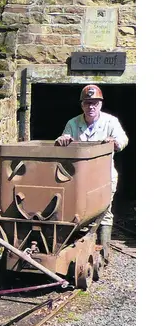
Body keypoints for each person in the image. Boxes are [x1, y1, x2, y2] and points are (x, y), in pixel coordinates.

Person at [55, 84, 129, 244]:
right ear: (82, 105)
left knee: (104, 211)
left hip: (104, 176)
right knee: (78, 210)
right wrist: (63, 140)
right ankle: (78, 244)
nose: (91, 107)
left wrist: (115, 142)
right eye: (87, 103)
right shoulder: (73, 123)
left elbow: (123, 140)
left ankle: (104, 249)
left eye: (95, 103)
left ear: (100, 104)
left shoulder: (110, 121)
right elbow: (63, 140)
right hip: (79, 178)